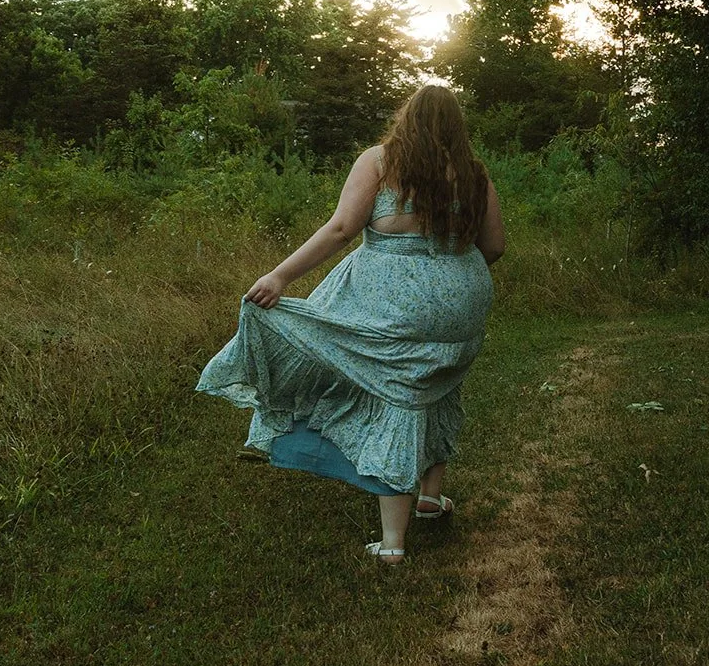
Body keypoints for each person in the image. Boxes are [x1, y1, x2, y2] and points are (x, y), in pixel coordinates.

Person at [195, 84, 506, 565]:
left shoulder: (381, 162)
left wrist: (280, 276)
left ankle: (393, 545)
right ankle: (429, 496)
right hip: (460, 306)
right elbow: (495, 247)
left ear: (408, 119)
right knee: (437, 388)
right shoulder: (473, 174)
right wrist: (450, 275)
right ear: (455, 126)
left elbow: (341, 229)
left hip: (394, 305)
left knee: (394, 396)